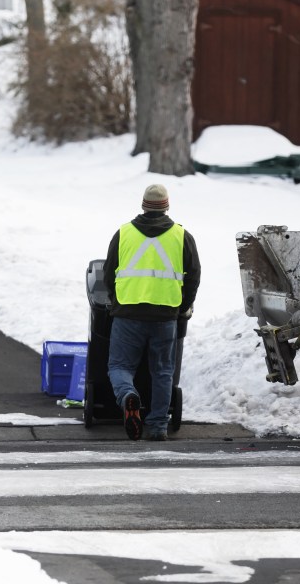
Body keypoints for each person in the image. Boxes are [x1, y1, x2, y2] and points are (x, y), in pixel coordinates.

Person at [103, 184, 201, 441]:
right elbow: (194, 276)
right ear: (167, 206)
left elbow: (108, 272)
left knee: (120, 365)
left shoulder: (123, 233)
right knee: (163, 372)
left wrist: (116, 301)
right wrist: (182, 307)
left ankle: (128, 396)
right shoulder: (182, 236)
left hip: (128, 313)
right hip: (165, 315)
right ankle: (157, 426)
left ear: (143, 205)